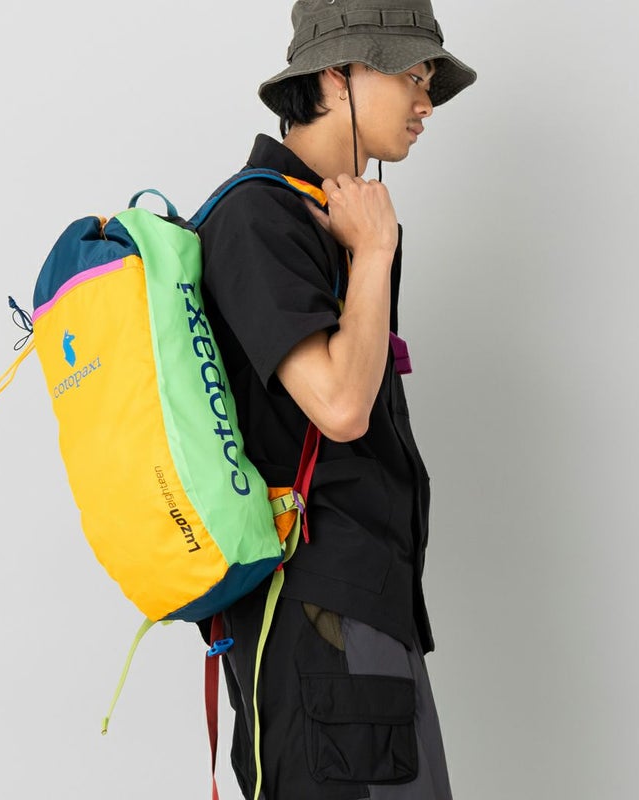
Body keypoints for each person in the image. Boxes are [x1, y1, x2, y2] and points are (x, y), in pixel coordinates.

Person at [198, 1, 476, 798]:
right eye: (411, 75)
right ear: (337, 76)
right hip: (318, 614)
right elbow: (342, 407)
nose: (426, 102)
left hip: (361, 609)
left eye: (429, 79)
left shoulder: (331, 214)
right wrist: (376, 251)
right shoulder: (257, 216)